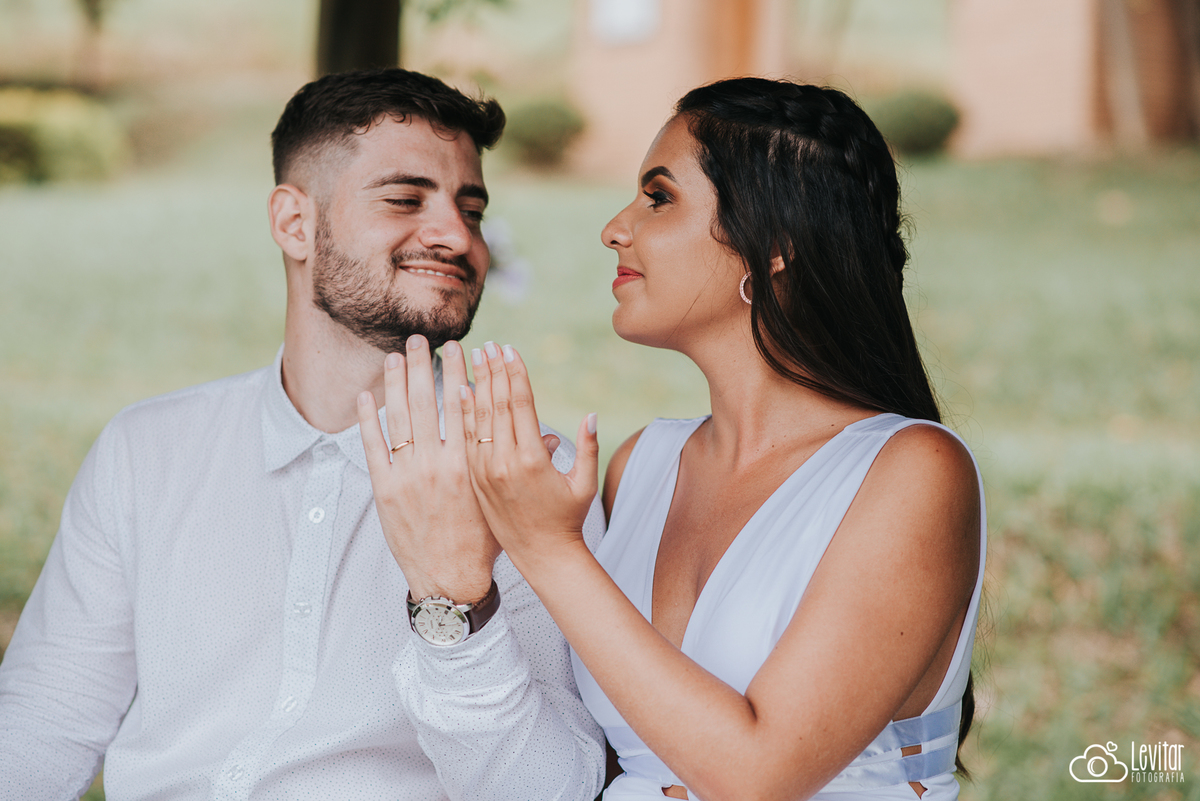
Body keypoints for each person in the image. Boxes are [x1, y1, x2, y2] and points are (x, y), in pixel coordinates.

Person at [0, 69, 605, 800]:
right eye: (407, 199)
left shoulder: (528, 473)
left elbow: (555, 788)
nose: (458, 236)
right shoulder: (144, 452)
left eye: (470, 209)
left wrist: (456, 601)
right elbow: (45, 720)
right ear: (294, 223)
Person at [404, 78, 986, 800]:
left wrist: (549, 547)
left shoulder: (913, 472)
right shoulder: (640, 465)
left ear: (772, 244)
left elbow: (757, 773)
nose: (616, 228)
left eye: (659, 197)